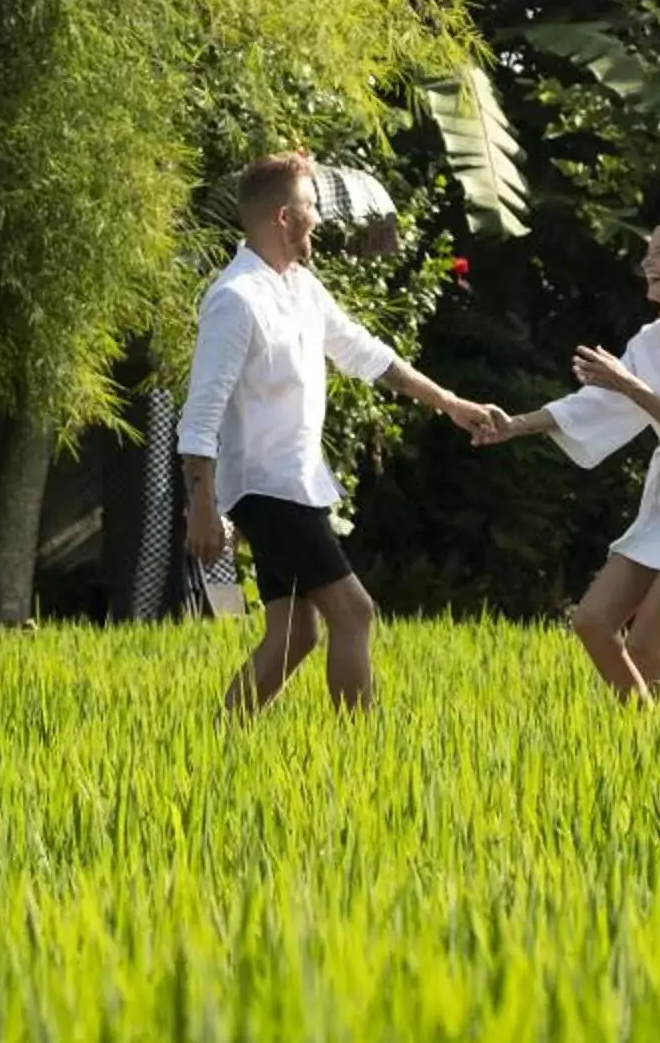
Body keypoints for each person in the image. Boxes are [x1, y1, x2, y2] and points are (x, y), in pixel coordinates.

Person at [179, 152, 500, 712]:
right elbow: (201, 411)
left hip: (298, 484)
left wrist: (448, 403)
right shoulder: (235, 300)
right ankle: (361, 751)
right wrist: (201, 506)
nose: (319, 220)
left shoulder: (300, 287)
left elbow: (365, 354)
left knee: (296, 636)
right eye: (310, 207)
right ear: (283, 217)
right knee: (355, 612)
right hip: (264, 488)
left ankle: (220, 740)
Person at [477, 220, 660, 701]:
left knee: (648, 647)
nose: (647, 263)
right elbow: (595, 405)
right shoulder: (651, 340)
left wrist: (626, 383)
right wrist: (515, 425)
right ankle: (644, 735)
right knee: (592, 622)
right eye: (648, 254)